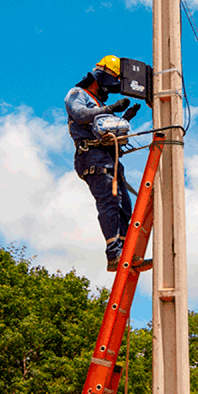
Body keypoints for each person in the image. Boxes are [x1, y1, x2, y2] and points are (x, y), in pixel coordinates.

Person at [65, 55, 148, 272]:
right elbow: (82, 115)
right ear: (98, 80)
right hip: (91, 156)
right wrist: (111, 109)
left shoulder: (100, 103)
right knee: (109, 202)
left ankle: (125, 252)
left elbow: (105, 128)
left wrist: (125, 118)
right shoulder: (78, 94)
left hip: (110, 157)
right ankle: (114, 253)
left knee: (125, 206)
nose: (108, 91)